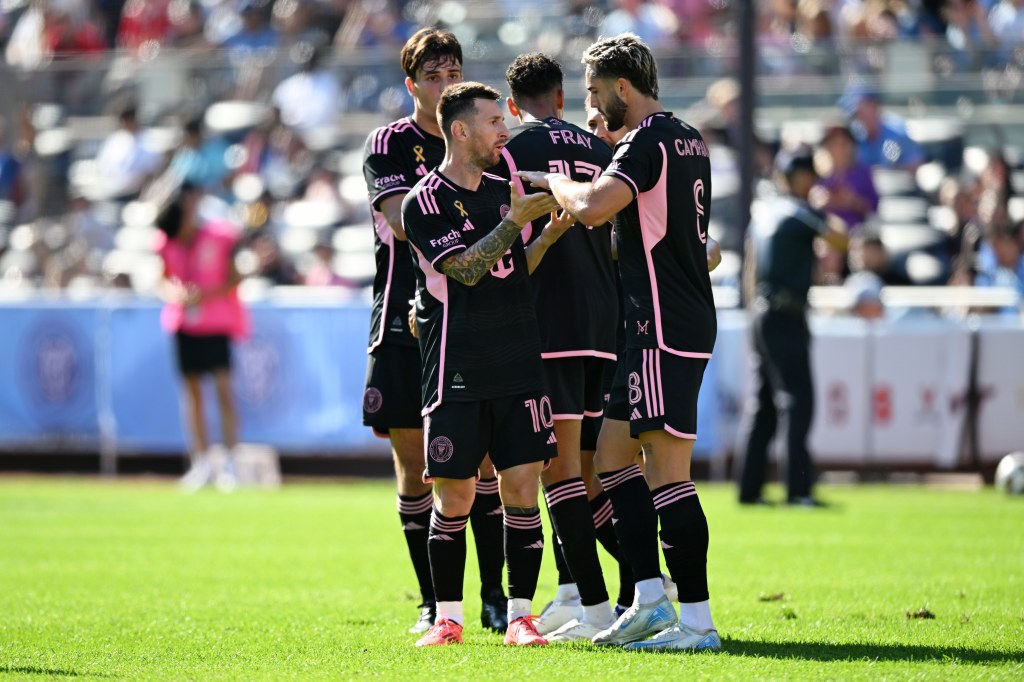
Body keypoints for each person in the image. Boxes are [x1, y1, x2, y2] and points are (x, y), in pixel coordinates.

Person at [518, 32, 722, 651]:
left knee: (666, 471)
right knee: (609, 458)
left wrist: (553, 182)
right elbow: (699, 245)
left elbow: (594, 207)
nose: (590, 105)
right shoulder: (689, 137)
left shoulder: (646, 140)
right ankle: (649, 599)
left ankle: (698, 622)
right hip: (656, 320)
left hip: (663, 322)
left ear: (622, 89)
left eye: (594, 92)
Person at [402, 81, 572, 647]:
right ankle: (447, 618)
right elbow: (468, 270)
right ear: (461, 130)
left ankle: (520, 617)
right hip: (457, 365)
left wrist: (544, 237)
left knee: (522, 487)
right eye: (494, 122)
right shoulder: (422, 201)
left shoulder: (508, 187)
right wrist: (512, 221)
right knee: (455, 496)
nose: (505, 131)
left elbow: (511, 265)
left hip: (520, 360)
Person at [359, 28, 507, 635]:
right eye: (433, 76)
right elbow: (402, 222)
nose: (445, 84)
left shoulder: (487, 142)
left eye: (454, 73)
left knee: (491, 465)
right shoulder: (390, 143)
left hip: (478, 319)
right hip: (402, 314)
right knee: (417, 466)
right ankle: (433, 601)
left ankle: (496, 599)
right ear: (411, 84)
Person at [489, 53, 618, 641]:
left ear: (512, 107)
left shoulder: (510, 155)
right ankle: (595, 589)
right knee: (595, 472)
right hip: (605, 324)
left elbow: (507, 249)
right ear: (563, 96)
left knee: (557, 472)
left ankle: (593, 603)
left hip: (549, 324)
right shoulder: (601, 151)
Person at [738, 146, 848, 507]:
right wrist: (823, 205)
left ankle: (749, 490)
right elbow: (840, 238)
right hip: (785, 315)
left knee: (764, 406)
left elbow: (750, 270)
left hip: (759, 314)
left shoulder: (764, 212)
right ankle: (798, 490)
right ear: (801, 178)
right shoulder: (799, 212)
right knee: (799, 401)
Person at [154, 183, 249, 493]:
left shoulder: (219, 236)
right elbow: (162, 279)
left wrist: (205, 295)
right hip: (184, 323)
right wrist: (177, 294)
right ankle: (202, 462)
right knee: (192, 393)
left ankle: (231, 462)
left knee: (223, 391)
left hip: (217, 322)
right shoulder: (166, 240)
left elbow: (235, 276)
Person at [838, 85, 925, 171]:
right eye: (855, 115)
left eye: (860, 111)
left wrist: (885, 172)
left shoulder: (897, 132)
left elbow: (915, 166)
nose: (859, 118)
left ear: (874, 106)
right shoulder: (855, 136)